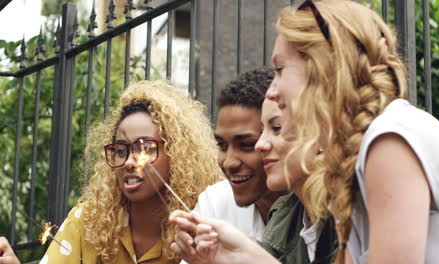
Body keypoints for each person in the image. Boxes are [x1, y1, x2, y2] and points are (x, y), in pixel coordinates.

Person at [267, 0, 439, 263]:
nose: (272, 91)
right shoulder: (364, 153)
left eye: (280, 69)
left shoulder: (390, 142)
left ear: (323, 66)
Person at [40, 80, 221, 264]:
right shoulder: (88, 220)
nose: (129, 162)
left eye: (145, 148)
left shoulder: (199, 226)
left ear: (177, 153)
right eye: (120, 151)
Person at [170, 68, 285, 263]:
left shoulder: (312, 213)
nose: (229, 162)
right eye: (222, 145)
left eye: (246, 145)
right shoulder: (215, 202)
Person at [255, 99, 336, 263]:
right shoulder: (284, 219)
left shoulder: (352, 211)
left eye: (276, 128)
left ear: (322, 134)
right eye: (262, 131)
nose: (259, 144)